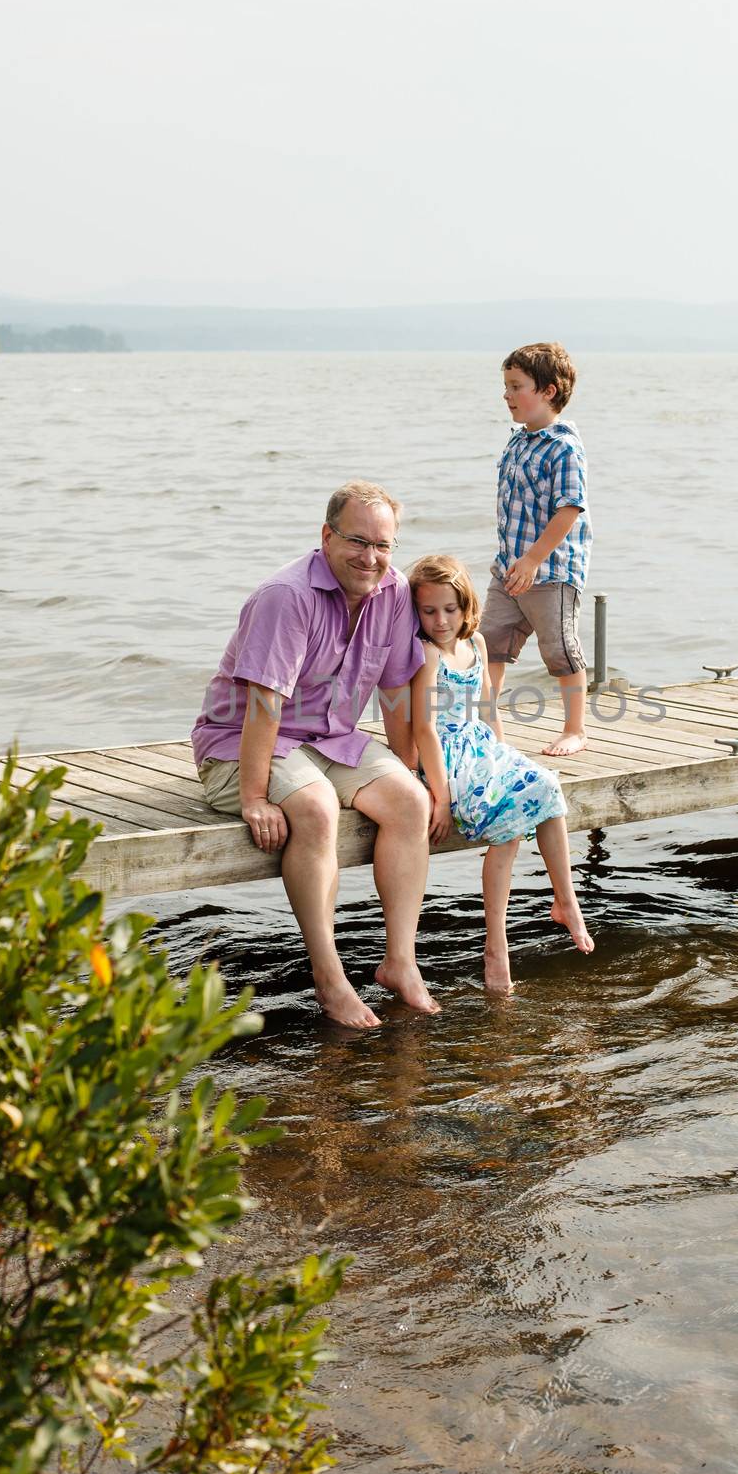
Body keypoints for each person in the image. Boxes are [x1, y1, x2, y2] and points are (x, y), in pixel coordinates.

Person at [191, 481, 439, 1030]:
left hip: (330, 739)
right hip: (240, 743)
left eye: (383, 545)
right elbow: (262, 704)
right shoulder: (287, 597)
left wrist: (408, 768)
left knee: (409, 802)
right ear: (326, 536)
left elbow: (395, 692)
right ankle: (330, 979)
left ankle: (401, 962)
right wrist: (254, 797)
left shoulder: (394, 592)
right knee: (318, 808)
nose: (371, 558)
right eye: (357, 541)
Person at [408, 554, 594, 992]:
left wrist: (504, 754)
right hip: (447, 759)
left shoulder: (476, 645)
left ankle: (565, 900)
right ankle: (496, 944)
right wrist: (442, 797)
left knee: (546, 787)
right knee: (508, 827)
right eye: (429, 611)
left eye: (449, 610)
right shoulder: (427, 654)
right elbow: (424, 729)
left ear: (465, 606)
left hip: (480, 746)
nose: (440, 620)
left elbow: (488, 710)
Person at [483, 340, 592, 756]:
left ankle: (575, 728)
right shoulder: (517, 440)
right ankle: (489, 728)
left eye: (516, 386)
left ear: (548, 391)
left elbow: (568, 510)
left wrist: (533, 559)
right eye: (506, 385)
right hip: (509, 567)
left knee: (560, 649)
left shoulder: (563, 446)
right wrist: (515, 560)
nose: (507, 394)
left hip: (551, 571)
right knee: (489, 643)